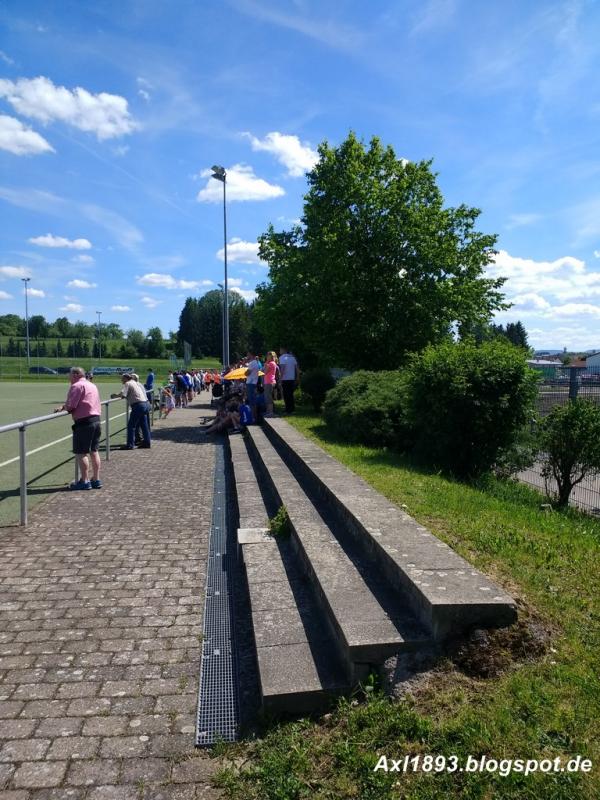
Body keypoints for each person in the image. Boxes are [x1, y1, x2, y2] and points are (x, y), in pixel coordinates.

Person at [54, 366, 102, 490]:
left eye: (69, 375)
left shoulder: (76, 386)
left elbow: (71, 406)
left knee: (81, 452)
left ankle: (84, 481)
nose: (69, 378)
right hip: (96, 420)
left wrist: (64, 407)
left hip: (84, 422)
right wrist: (64, 406)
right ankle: (96, 479)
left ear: (75, 374)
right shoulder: (92, 385)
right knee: (94, 451)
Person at [111, 372, 152, 449]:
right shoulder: (135, 383)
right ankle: (147, 442)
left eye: (122, 379)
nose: (121, 380)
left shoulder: (128, 383)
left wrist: (114, 395)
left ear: (126, 378)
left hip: (138, 405)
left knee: (131, 426)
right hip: (145, 404)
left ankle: (130, 445)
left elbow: (123, 395)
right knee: (144, 425)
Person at [279, 346, 300, 414]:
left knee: (286, 394)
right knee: (291, 394)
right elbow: (297, 368)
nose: (279, 351)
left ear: (283, 350)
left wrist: (280, 378)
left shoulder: (282, 358)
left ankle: (288, 409)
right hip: (292, 378)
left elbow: (282, 369)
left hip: (285, 378)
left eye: (280, 350)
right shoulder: (292, 357)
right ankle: (292, 409)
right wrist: (297, 377)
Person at [244, 350, 261, 422]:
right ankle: (254, 417)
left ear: (251, 355)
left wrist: (245, 372)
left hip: (250, 383)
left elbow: (247, 373)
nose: (247, 356)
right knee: (252, 401)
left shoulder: (252, 363)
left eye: (248, 354)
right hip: (253, 383)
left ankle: (253, 418)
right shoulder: (255, 363)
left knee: (251, 402)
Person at [263, 351, 279, 417]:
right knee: (268, 397)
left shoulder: (271, 363)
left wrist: (265, 365)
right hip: (269, 382)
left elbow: (265, 372)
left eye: (268, 355)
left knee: (268, 398)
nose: (267, 357)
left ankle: (271, 412)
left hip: (269, 382)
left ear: (271, 356)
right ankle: (269, 411)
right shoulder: (270, 363)